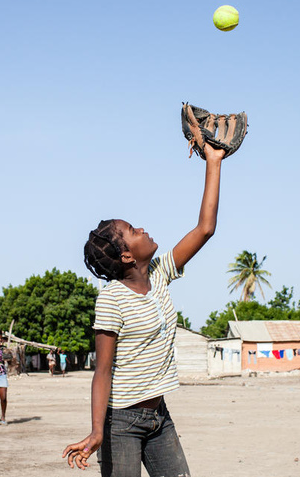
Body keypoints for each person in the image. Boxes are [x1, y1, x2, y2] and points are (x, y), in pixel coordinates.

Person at [62, 142, 225, 475]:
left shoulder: (160, 274)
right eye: (133, 231)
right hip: (120, 421)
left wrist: (214, 161)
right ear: (126, 256)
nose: (143, 229)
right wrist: (96, 431)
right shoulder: (111, 299)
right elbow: (102, 371)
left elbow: (205, 228)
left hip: (158, 416)